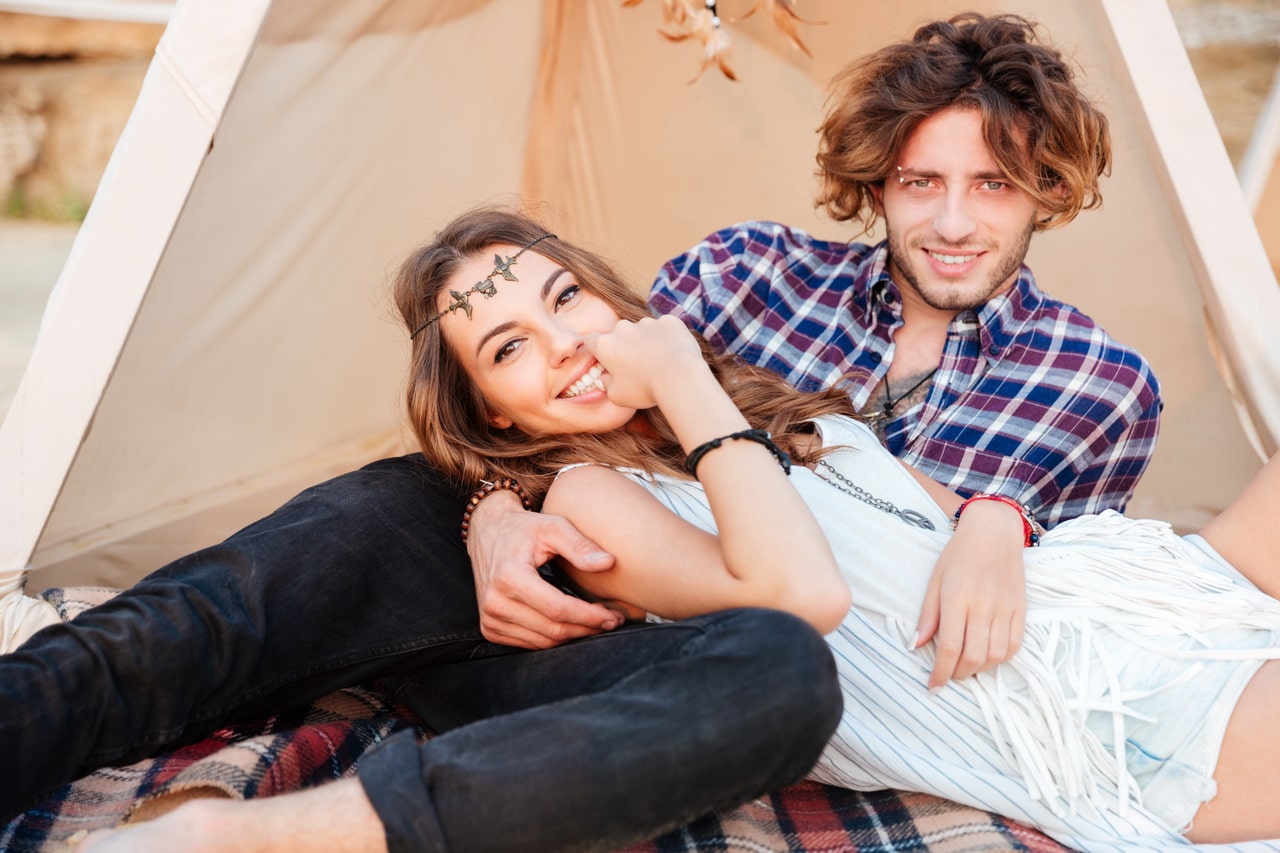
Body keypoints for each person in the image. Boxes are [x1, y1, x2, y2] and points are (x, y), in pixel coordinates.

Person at [79, 207, 1278, 853]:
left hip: (1116, 592)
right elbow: (801, 598)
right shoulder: (595, 499)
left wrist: (989, 520)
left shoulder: (767, 412)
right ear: (494, 411)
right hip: (1084, 718)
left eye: (566, 300)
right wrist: (663, 392)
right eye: (510, 351)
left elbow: (902, 533)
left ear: (608, 294)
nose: (561, 346)